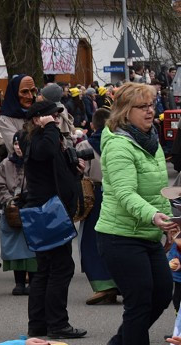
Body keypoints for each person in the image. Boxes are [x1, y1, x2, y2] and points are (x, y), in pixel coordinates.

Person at [97, 82, 178, 345]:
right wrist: (154, 216)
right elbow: (124, 192)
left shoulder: (150, 141)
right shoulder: (119, 144)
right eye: (143, 106)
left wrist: (171, 220)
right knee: (140, 299)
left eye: (152, 105)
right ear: (125, 111)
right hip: (118, 236)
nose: (150, 111)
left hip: (147, 233)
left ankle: (120, 344)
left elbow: (157, 190)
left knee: (161, 292)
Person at [20, 100, 86, 340]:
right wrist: (49, 128)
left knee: (47, 269)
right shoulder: (33, 138)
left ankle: (39, 325)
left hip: (52, 210)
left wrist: (73, 167)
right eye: (51, 115)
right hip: (46, 212)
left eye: (57, 115)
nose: (56, 118)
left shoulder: (46, 137)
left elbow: (52, 166)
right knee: (59, 267)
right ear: (37, 118)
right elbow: (44, 152)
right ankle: (57, 324)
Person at [76, 108, 119, 305]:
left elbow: (79, 172)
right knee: (116, 238)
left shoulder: (85, 145)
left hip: (93, 195)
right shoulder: (119, 143)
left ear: (92, 125)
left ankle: (103, 285)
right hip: (117, 195)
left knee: (91, 240)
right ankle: (120, 281)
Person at [0, 135, 36, 295]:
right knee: (14, 246)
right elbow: (0, 186)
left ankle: (33, 281)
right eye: (16, 144)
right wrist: (10, 200)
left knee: (32, 246)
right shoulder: (4, 164)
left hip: (30, 208)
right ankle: (19, 282)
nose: (18, 147)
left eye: (21, 144)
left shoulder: (33, 163)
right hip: (11, 210)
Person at [0, 74, 35, 156]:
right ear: (14, 93)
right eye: (24, 92)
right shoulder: (4, 119)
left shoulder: (37, 113)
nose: (30, 96)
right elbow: (16, 146)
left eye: (32, 91)